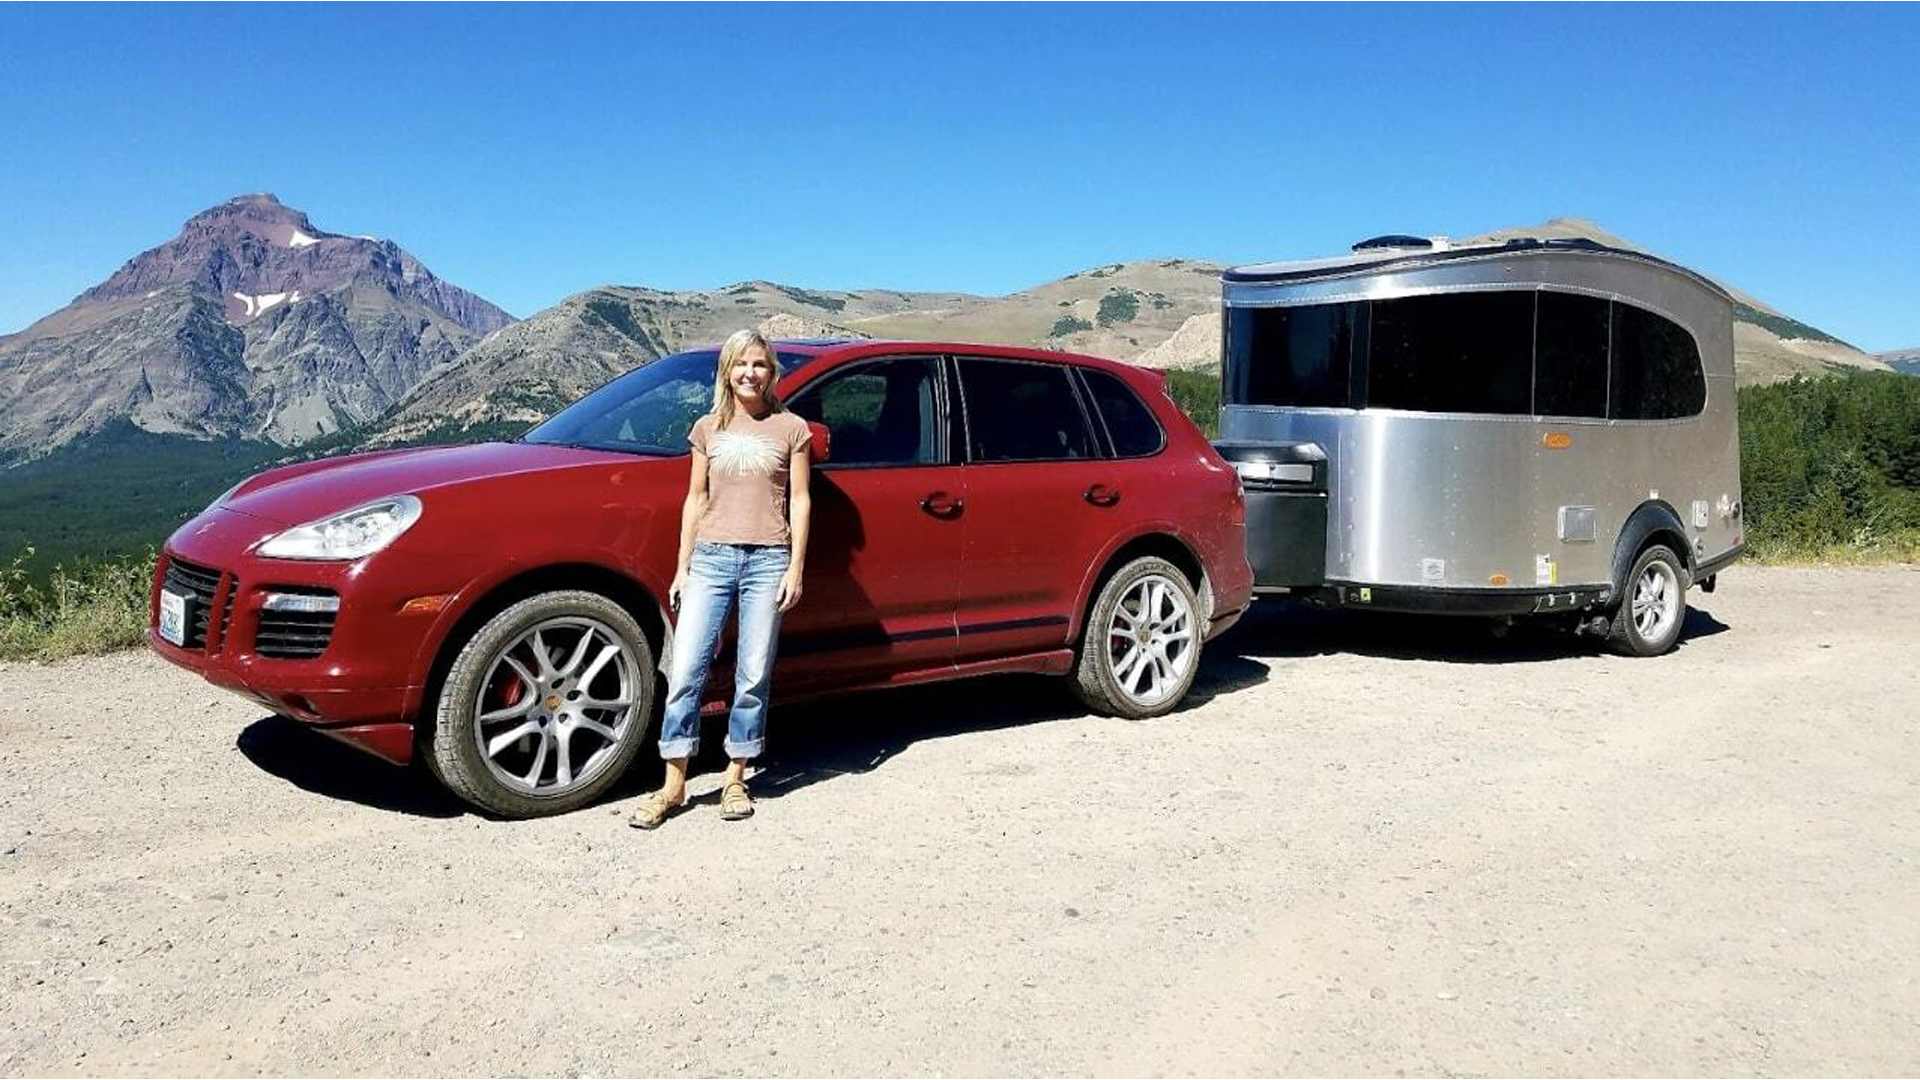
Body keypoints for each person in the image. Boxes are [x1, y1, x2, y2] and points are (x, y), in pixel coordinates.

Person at [629, 329, 812, 829]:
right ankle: (673, 783)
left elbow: (800, 499)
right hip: (710, 559)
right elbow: (696, 498)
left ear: (771, 372)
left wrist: (795, 566)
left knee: (752, 674)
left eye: (759, 364)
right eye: (741, 364)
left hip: (768, 559)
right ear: (727, 372)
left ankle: (736, 776)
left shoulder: (792, 429)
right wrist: (682, 566)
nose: (750, 373)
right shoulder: (706, 428)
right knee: (686, 669)